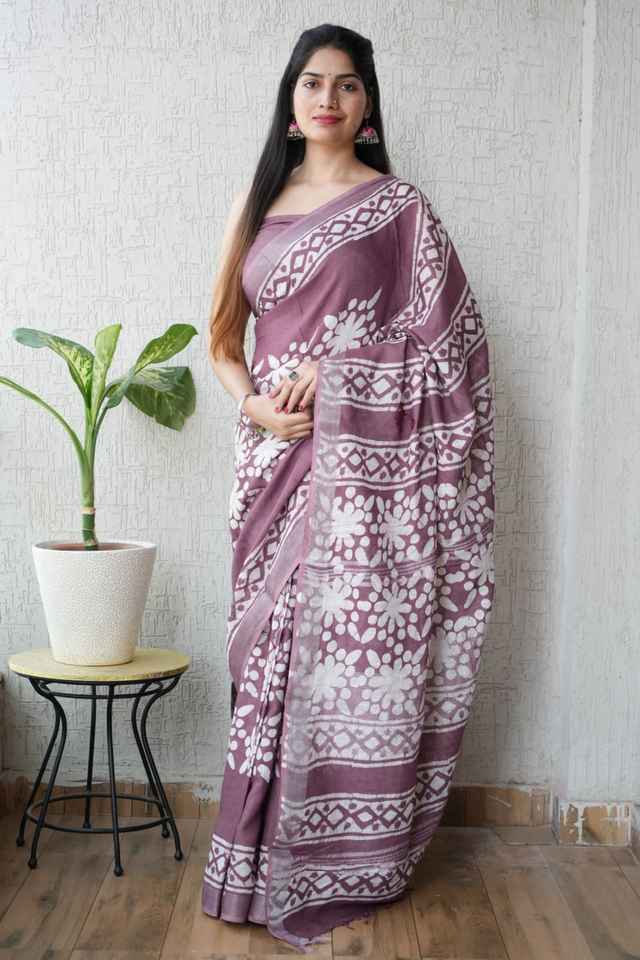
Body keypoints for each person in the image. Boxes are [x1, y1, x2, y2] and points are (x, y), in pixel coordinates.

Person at [202, 23, 496, 953]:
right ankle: (248, 859)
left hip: (361, 479)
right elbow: (221, 340)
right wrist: (255, 407)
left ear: (367, 106)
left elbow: (450, 352)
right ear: (290, 102)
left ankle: (333, 856)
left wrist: (339, 374)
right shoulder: (256, 204)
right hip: (271, 463)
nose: (328, 98)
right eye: (312, 82)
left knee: (333, 655)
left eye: (347, 84)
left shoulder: (399, 210)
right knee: (265, 661)